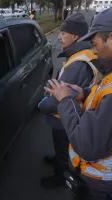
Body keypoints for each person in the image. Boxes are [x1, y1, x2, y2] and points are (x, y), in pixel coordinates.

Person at [44, 8, 112, 200]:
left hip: (100, 184)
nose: (94, 50)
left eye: (95, 43)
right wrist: (86, 93)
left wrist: (65, 100)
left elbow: (88, 145)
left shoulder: (81, 61)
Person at [38, 13, 100, 188]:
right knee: (60, 147)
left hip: (64, 117)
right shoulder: (82, 54)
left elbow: (61, 98)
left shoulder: (78, 64)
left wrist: (42, 105)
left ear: (75, 36)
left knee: (64, 148)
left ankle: (60, 176)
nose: (59, 36)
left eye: (63, 33)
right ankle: (58, 160)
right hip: (66, 115)